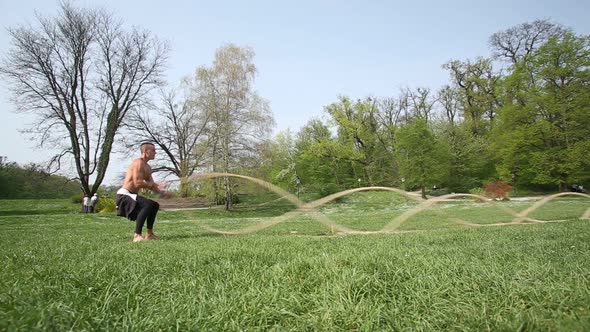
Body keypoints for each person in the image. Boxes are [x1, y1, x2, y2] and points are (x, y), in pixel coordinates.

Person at [116, 142, 170, 242]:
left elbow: (151, 185)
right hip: (124, 195)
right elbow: (137, 183)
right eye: (153, 150)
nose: (155, 152)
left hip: (132, 195)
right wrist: (156, 185)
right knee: (148, 204)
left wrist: (162, 192)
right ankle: (137, 235)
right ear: (146, 151)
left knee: (154, 205)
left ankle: (149, 234)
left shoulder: (148, 168)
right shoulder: (138, 163)